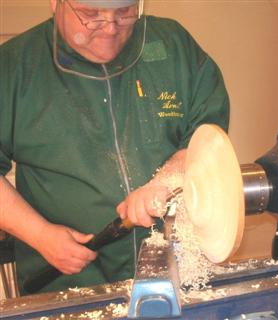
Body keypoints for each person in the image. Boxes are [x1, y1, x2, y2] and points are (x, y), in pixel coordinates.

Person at [0, 0, 229, 295]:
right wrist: (41, 235)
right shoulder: (13, 67)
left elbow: (205, 134)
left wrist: (167, 178)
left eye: (124, 13)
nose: (110, 28)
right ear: (55, 3)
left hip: (173, 270)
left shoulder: (172, 45)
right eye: (91, 15)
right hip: (68, 282)